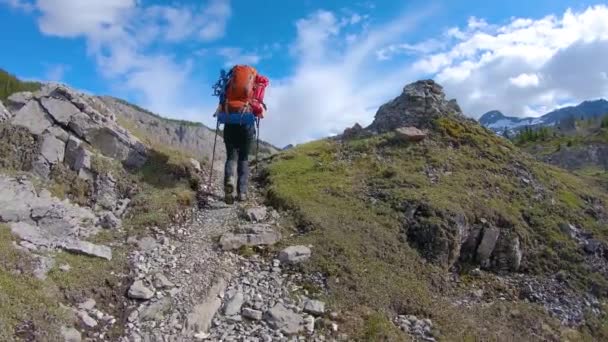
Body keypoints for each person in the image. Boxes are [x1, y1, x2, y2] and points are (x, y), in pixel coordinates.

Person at [213, 65, 269, 204]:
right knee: (243, 158)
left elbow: (220, 103)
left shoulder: (229, 83)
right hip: (246, 125)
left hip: (230, 123)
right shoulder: (256, 85)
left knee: (231, 156)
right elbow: (259, 112)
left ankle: (229, 180)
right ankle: (242, 193)